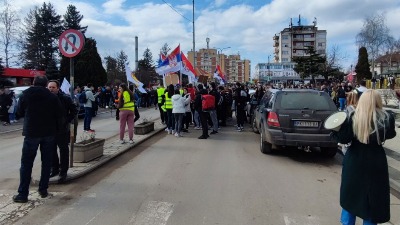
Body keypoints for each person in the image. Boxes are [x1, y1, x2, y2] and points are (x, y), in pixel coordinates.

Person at [331, 90, 396, 225]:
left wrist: (335, 131)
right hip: (376, 160)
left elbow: (343, 139)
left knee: (350, 197)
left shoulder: (352, 117)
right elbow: (391, 134)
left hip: (355, 159)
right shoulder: (386, 118)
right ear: (378, 101)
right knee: (373, 200)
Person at [13, 75, 63, 203]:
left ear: (34, 83)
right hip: (48, 133)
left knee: (26, 163)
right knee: (46, 163)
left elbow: (18, 112)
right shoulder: (52, 97)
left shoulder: (26, 94)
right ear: (46, 84)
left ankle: (23, 194)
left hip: (31, 133)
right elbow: (59, 115)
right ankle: (43, 189)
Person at [47, 80, 78, 183]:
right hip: (50, 129)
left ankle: (63, 172)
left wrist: (66, 120)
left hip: (62, 129)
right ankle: (54, 169)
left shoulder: (65, 98)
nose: (51, 89)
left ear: (58, 88)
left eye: (53, 87)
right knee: (51, 150)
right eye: (49, 87)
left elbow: (74, 110)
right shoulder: (46, 98)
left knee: (63, 150)